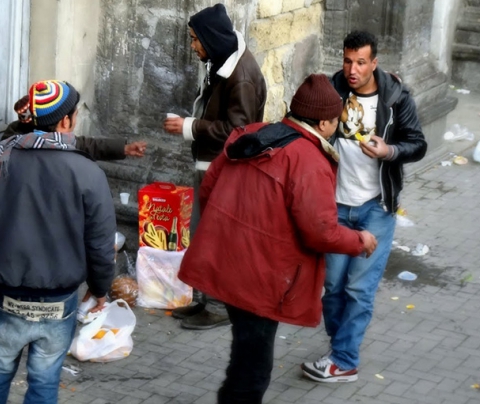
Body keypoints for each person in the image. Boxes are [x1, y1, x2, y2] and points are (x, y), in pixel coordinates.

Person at [177, 74, 379, 403]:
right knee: (253, 371)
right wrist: (360, 241)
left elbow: (210, 188)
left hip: (229, 264)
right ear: (325, 122)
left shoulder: (254, 134)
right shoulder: (309, 161)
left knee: (244, 353)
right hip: (263, 278)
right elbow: (320, 232)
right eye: (335, 121)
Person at [0, 80, 116, 404]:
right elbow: (101, 244)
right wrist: (101, 287)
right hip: (58, 300)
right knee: (44, 383)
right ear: (66, 121)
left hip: (6, 293)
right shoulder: (88, 172)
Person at [302, 31, 427, 383]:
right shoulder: (330, 89)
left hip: (377, 207)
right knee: (333, 287)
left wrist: (389, 151)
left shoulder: (396, 97)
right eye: (347, 60)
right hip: (335, 207)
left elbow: (417, 144)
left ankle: (344, 359)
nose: (352, 69)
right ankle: (340, 348)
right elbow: (304, 121)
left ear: (374, 62)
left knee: (359, 289)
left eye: (360, 62)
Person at [163, 3, 267, 330]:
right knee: (205, 235)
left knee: (218, 237)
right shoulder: (221, 61)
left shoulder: (242, 77)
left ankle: (220, 306)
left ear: (212, 39)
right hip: (211, 165)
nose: (193, 47)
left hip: (225, 169)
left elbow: (238, 132)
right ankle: (205, 299)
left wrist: (189, 126)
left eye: (196, 40)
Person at [2, 95, 148, 160]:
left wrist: (124, 148)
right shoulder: (62, 162)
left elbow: (86, 145)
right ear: (65, 121)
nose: (76, 121)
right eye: (76, 115)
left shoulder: (11, 141)